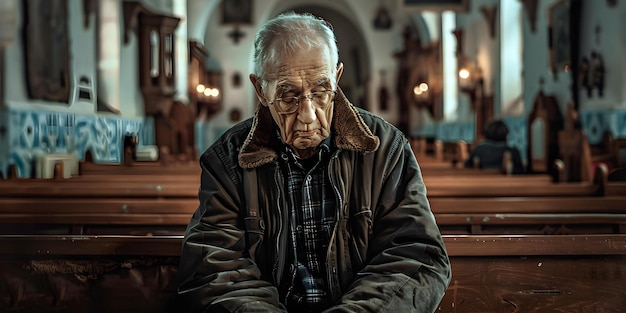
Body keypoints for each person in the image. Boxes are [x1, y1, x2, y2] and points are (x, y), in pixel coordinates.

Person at [177, 12, 451, 313]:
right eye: (287, 95)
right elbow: (214, 267)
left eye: (321, 92)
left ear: (337, 77)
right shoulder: (226, 159)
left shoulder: (386, 149)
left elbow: (416, 257)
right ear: (261, 89)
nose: (307, 115)